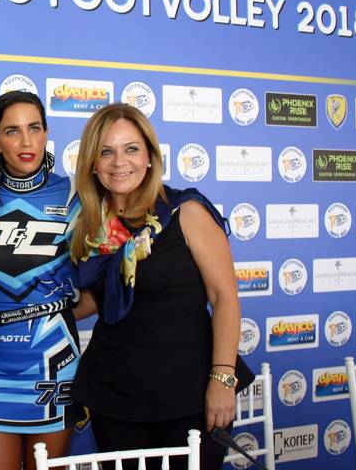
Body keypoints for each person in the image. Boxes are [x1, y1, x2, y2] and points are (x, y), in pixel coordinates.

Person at [69, 103, 242, 470]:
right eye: (106, 151)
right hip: (113, 395)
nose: (119, 162)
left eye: (131, 149)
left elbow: (224, 297)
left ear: (149, 157)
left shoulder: (185, 211)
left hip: (188, 393)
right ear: (93, 163)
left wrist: (223, 378)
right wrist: (24, 307)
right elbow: (95, 300)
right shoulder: (90, 225)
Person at [0, 91, 85, 470]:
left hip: (53, 359)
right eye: (12, 131)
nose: (26, 141)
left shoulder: (75, 195)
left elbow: (101, 286)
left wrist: (52, 311)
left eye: (34, 128)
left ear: (46, 133)